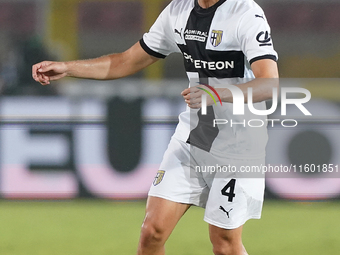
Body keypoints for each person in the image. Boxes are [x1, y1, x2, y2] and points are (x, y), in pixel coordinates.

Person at [32, 0, 279, 254]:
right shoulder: (177, 11)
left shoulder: (245, 12)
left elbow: (269, 84)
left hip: (238, 145)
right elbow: (126, 61)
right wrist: (67, 68)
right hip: (193, 138)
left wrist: (217, 94)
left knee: (225, 244)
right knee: (152, 232)